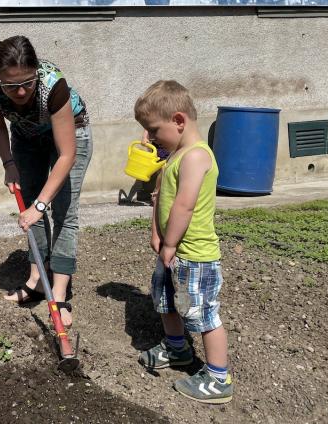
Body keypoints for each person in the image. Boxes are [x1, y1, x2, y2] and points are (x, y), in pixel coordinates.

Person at [0, 35, 92, 327]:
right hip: (27, 137)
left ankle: (60, 293)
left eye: (26, 83)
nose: (19, 92)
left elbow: (67, 155)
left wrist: (42, 204)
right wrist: (9, 164)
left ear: (36, 70)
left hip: (70, 135)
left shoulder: (53, 86)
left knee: (63, 210)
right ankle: (37, 280)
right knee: (30, 208)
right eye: (10, 85)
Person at [134, 80, 232, 404]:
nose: (148, 137)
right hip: (171, 252)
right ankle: (177, 348)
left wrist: (170, 243)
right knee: (164, 298)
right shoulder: (174, 156)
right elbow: (160, 197)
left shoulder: (196, 157)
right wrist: (156, 234)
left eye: (152, 130)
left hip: (194, 257)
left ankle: (219, 377)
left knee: (203, 314)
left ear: (178, 121)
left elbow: (184, 205)